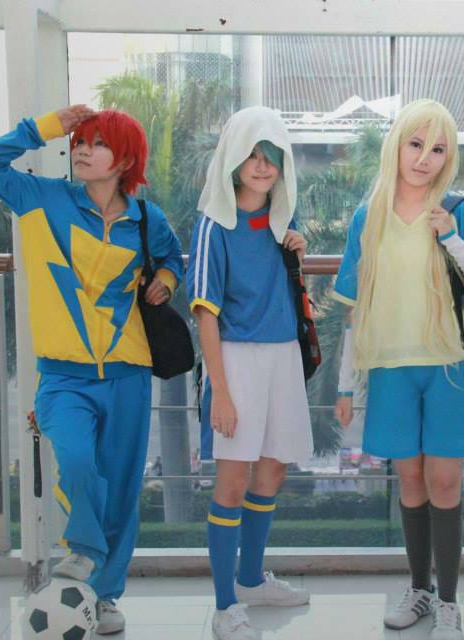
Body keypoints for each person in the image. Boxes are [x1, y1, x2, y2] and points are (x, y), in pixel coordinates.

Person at [0, 105, 184, 635]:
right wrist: (44, 128)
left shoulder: (146, 218)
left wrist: (166, 282)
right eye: (79, 142)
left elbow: (171, 258)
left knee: (122, 488)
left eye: (97, 143)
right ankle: (84, 550)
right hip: (63, 376)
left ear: (125, 160)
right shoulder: (43, 199)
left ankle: (104, 596)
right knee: (79, 463)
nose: (82, 151)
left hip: (128, 372)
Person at [333, 99, 464, 640]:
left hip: (450, 365)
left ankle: (450, 601)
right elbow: (354, 309)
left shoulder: (456, 212)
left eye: (437, 149)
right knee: (410, 480)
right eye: (415, 144)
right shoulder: (367, 217)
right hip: (391, 366)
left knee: (445, 481)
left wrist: (451, 237)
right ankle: (419, 590)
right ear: (396, 145)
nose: (424, 158)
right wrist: (345, 386)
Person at [186, 106, 312, 640]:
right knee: (233, 481)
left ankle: (252, 579)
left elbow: (288, 294)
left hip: (283, 356)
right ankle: (224, 605)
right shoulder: (213, 225)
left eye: (272, 157)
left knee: (274, 469)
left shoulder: (285, 225)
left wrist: (299, 254)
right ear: (233, 160)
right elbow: (204, 313)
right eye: (253, 155)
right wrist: (220, 391)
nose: (262, 166)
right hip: (234, 360)